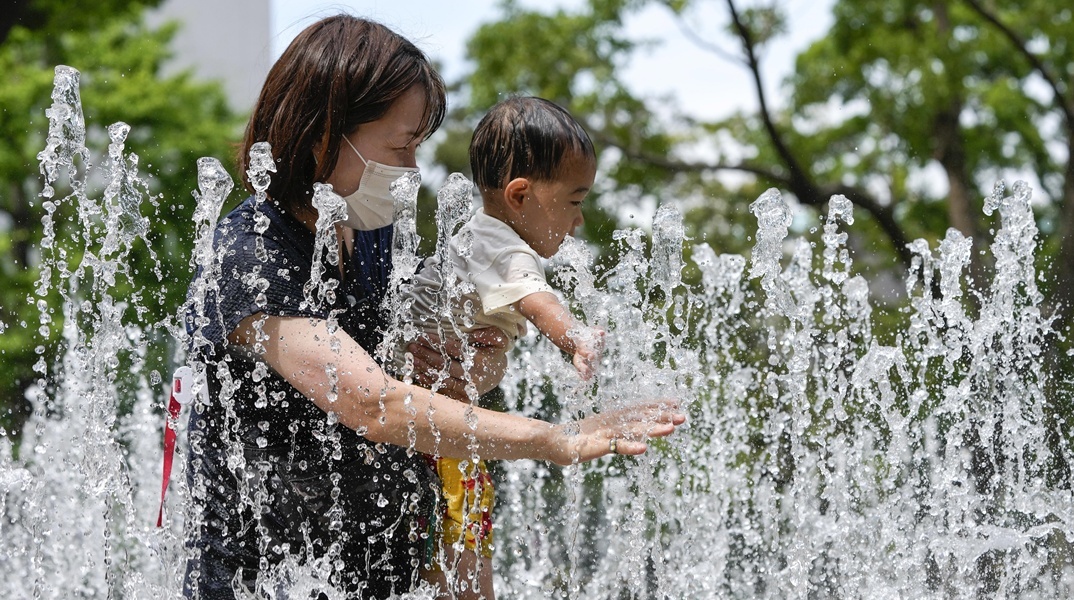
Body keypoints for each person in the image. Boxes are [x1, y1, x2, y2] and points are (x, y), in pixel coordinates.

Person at [182, 14, 684, 600]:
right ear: (323, 133)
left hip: (385, 574)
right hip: (268, 579)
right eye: (401, 145)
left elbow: (431, 390)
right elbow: (373, 404)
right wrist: (556, 439)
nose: (413, 170)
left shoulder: (370, 238)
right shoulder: (249, 254)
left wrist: (468, 363)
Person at [393, 96, 604, 600]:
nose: (578, 221)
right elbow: (537, 301)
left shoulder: (481, 239)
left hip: (435, 426)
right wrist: (575, 337)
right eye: (574, 201)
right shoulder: (499, 245)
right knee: (461, 563)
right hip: (430, 435)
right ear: (520, 195)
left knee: (454, 553)